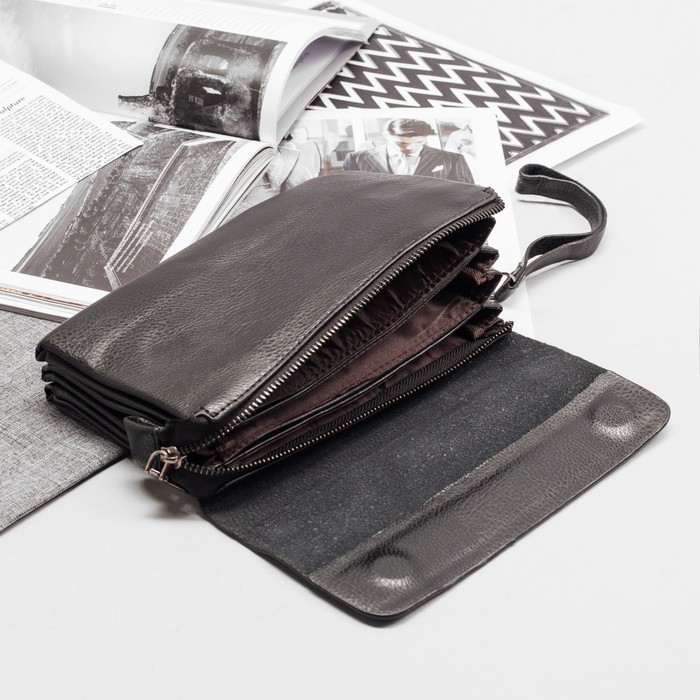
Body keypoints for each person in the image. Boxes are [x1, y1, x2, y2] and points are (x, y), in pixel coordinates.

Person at [343, 118, 474, 184]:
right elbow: (350, 195)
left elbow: (467, 196)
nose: (411, 148)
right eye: (402, 143)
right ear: (386, 136)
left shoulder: (452, 159)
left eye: (419, 142)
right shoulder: (356, 159)